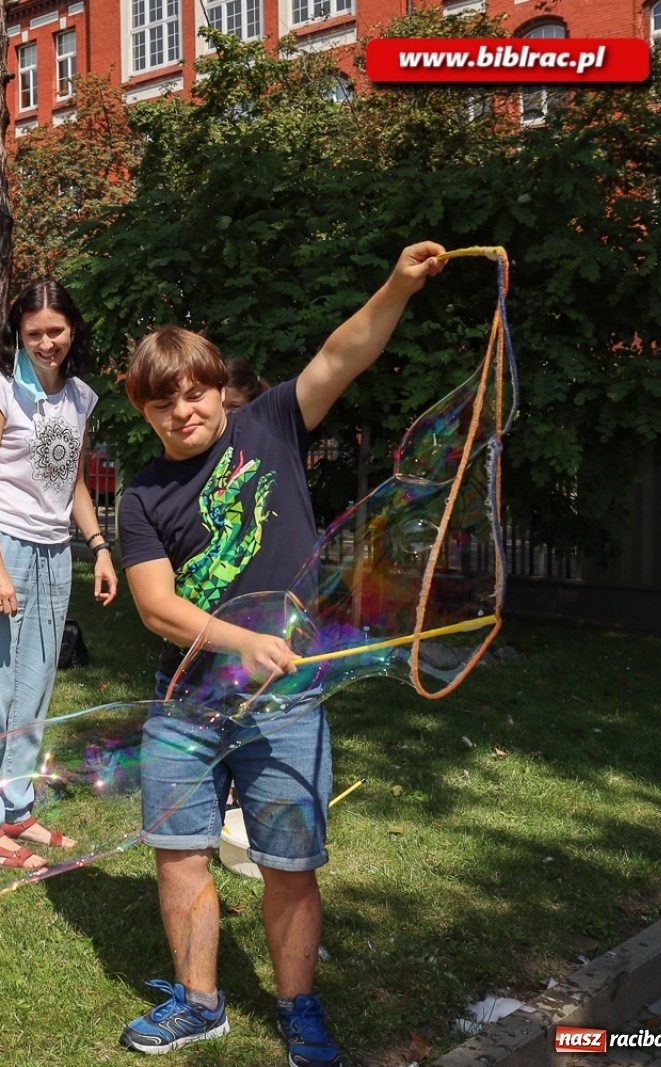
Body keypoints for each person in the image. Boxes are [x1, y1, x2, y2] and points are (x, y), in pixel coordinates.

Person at [114, 242, 445, 1063]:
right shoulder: (141, 495)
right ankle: (199, 1001)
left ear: (218, 389)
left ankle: (298, 1006)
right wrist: (245, 641)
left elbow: (343, 352)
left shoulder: (270, 424)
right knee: (180, 856)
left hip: (287, 703)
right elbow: (157, 607)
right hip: (185, 704)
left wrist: (398, 283)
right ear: (145, 412)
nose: (183, 412)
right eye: (163, 404)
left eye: (194, 393)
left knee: (290, 863)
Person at [0, 280, 118, 872]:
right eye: (34, 333)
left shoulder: (80, 398)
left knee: (35, 690)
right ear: (17, 334)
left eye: (56, 331)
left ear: (72, 330)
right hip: (0, 547)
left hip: (55, 553)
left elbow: (71, 480)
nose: (47, 342)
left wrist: (97, 545)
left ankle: (17, 805)